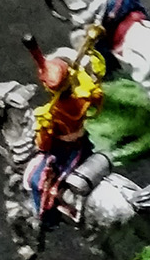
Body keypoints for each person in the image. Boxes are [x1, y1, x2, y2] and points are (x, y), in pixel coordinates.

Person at [22, 31, 104, 222]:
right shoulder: (84, 95)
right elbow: (93, 90)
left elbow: (44, 145)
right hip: (83, 144)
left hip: (64, 153)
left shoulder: (50, 115)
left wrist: (41, 131)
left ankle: (46, 219)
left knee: (34, 179)